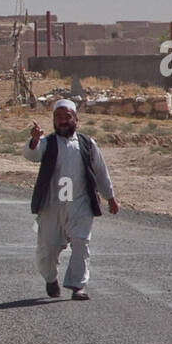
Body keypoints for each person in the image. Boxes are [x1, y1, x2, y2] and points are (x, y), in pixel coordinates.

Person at [23, 99, 119, 301]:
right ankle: (50, 278)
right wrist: (33, 140)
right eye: (58, 118)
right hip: (52, 205)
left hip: (80, 203)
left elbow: (101, 171)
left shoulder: (87, 144)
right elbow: (32, 154)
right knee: (47, 250)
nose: (63, 121)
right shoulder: (47, 142)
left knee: (81, 244)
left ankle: (78, 286)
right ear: (53, 121)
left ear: (76, 119)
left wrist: (110, 196)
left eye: (67, 117)